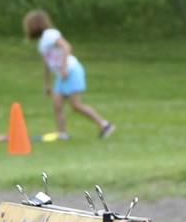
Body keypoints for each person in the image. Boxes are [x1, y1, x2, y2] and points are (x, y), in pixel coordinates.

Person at [23, 9, 116, 143]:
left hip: (72, 71)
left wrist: (65, 67)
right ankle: (62, 133)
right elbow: (47, 64)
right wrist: (47, 84)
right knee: (57, 104)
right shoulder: (42, 43)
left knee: (76, 105)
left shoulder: (51, 34)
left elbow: (66, 47)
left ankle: (105, 125)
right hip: (62, 75)